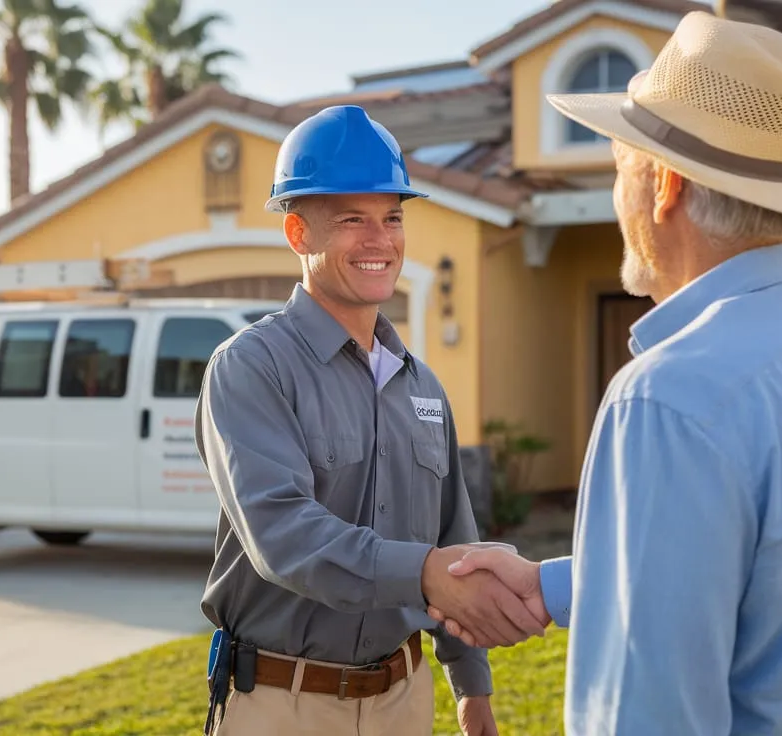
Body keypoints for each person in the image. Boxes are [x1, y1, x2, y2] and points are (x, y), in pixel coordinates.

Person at [427, 11, 782, 736]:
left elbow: (644, 711)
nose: (618, 200)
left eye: (620, 169)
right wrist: (556, 587)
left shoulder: (669, 392)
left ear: (664, 184)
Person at [194, 104, 546, 736]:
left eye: (392, 217)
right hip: (281, 703)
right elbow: (284, 537)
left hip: (403, 700)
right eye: (352, 219)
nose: (380, 239)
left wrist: (472, 686)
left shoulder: (423, 385)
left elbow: (453, 537)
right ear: (299, 233)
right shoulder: (250, 368)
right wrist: (425, 572)